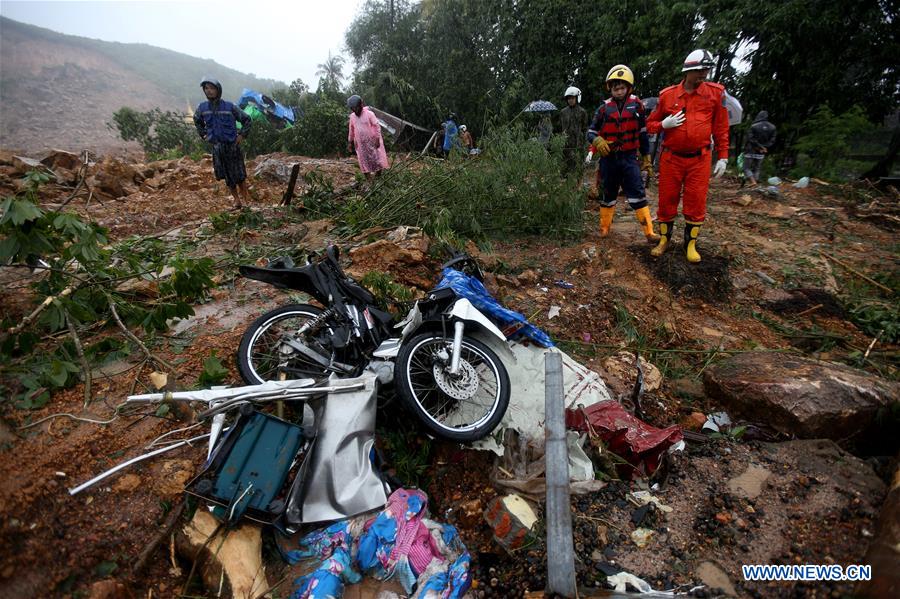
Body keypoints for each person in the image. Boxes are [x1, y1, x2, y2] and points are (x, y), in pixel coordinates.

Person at [646, 49, 730, 263]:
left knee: (696, 201)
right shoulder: (668, 95)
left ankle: (690, 244)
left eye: (706, 70)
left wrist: (723, 156)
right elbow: (650, 125)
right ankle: (664, 240)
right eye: (699, 70)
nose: (703, 74)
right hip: (671, 158)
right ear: (688, 71)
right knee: (667, 200)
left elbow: (721, 127)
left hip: (700, 159)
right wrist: (663, 124)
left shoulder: (715, 93)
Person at [586, 65, 658, 242]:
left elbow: (643, 133)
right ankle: (604, 229)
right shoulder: (603, 109)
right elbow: (590, 132)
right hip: (609, 159)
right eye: (615, 88)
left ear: (628, 88)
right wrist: (597, 140)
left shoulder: (637, 106)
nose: (619, 91)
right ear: (610, 89)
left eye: (622, 88)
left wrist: (646, 157)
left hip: (629, 158)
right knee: (607, 194)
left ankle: (649, 232)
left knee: (637, 193)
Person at [193, 76, 252, 210]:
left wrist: (242, 135)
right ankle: (237, 201)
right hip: (218, 147)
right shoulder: (202, 108)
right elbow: (197, 120)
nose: (209, 91)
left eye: (212, 88)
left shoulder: (230, 106)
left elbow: (247, 119)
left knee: (240, 175)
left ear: (218, 90)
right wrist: (204, 134)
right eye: (206, 88)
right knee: (227, 176)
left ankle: (247, 201)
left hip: (232, 146)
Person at [347, 95, 389, 180]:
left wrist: (377, 139)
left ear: (361, 105)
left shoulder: (369, 114)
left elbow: (376, 126)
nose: (355, 110)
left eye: (356, 108)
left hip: (372, 142)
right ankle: (369, 180)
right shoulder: (352, 117)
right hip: (361, 144)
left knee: (377, 158)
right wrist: (350, 142)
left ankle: (378, 177)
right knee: (363, 160)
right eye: (353, 108)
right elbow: (351, 130)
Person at [558, 86, 589, 176]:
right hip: (566, 143)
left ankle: (578, 181)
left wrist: (585, 143)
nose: (570, 100)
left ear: (577, 98)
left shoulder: (582, 112)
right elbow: (561, 127)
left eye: (572, 98)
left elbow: (585, 128)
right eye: (568, 98)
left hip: (578, 143)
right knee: (566, 166)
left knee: (578, 166)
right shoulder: (563, 112)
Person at [742, 111, 776, 187]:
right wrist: (764, 147)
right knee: (757, 168)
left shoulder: (754, 126)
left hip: (751, 150)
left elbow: (750, 139)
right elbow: (772, 140)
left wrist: (759, 146)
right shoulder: (773, 127)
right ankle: (755, 184)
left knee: (746, 168)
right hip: (761, 152)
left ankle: (753, 182)